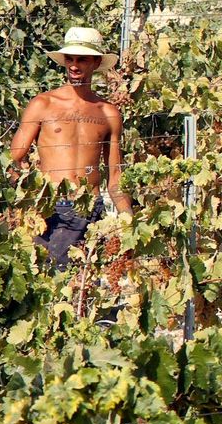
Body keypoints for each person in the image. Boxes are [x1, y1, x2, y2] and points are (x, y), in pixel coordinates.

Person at [9, 26, 133, 270]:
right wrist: (27, 199)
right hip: (49, 206)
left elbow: (115, 176)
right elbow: (14, 156)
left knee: (76, 282)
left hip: (88, 208)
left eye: (82, 60)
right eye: (70, 59)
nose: (74, 66)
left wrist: (128, 220)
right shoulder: (43, 104)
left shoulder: (108, 112)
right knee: (44, 276)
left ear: (96, 63)